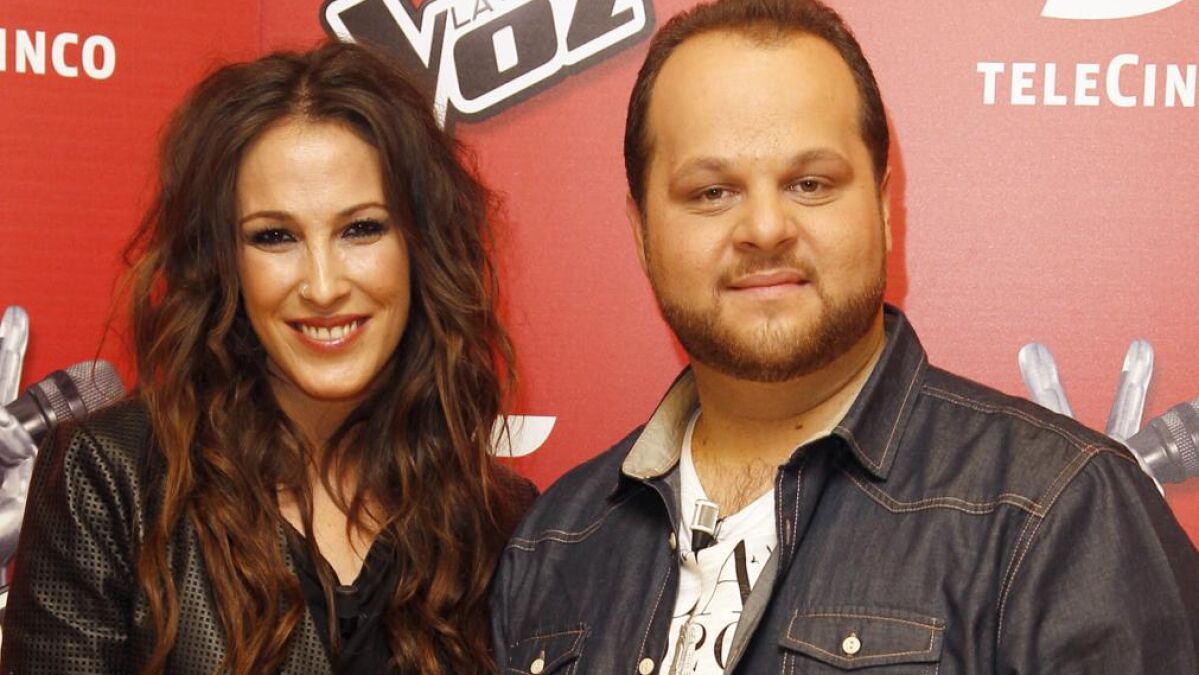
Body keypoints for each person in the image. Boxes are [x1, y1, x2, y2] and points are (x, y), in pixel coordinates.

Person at [490, 0, 1199, 673]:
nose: (765, 228)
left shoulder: (1062, 511)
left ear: (885, 209)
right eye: (711, 192)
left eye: (810, 183)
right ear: (642, 231)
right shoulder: (554, 541)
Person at [1, 42, 535, 674]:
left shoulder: (501, 517)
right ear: (223, 262)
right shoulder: (114, 478)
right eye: (274, 236)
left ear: (421, 246)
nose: (323, 286)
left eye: (361, 228)